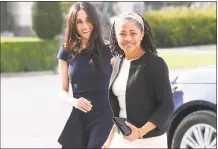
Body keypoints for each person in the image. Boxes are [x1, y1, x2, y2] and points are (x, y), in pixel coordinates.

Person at [102, 12, 174, 148]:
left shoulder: (155, 64)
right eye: (122, 33)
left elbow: (166, 106)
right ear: (116, 37)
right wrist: (109, 141)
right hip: (121, 139)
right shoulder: (117, 62)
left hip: (149, 141)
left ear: (141, 34)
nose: (127, 38)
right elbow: (120, 106)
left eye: (133, 33)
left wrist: (139, 132)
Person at [56, 2, 113, 148]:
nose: (85, 26)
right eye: (79, 22)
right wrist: (74, 101)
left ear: (94, 21)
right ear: (73, 24)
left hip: (104, 117)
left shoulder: (109, 50)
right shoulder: (66, 52)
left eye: (88, 20)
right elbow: (63, 92)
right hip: (79, 117)